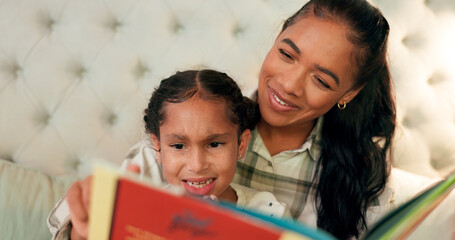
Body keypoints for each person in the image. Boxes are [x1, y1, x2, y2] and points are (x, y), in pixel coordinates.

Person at [49, 0, 397, 239]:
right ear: (276, 39)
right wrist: (84, 228)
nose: (289, 85)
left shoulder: (361, 172)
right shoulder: (193, 125)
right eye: (286, 54)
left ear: (349, 93)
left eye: (321, 80)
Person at [48, 69, 290, 240]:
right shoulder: (138, 214)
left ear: (241, 145)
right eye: (178, 146)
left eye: (214, 144)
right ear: (158, 147)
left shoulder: (270, 213)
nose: (196, 165)